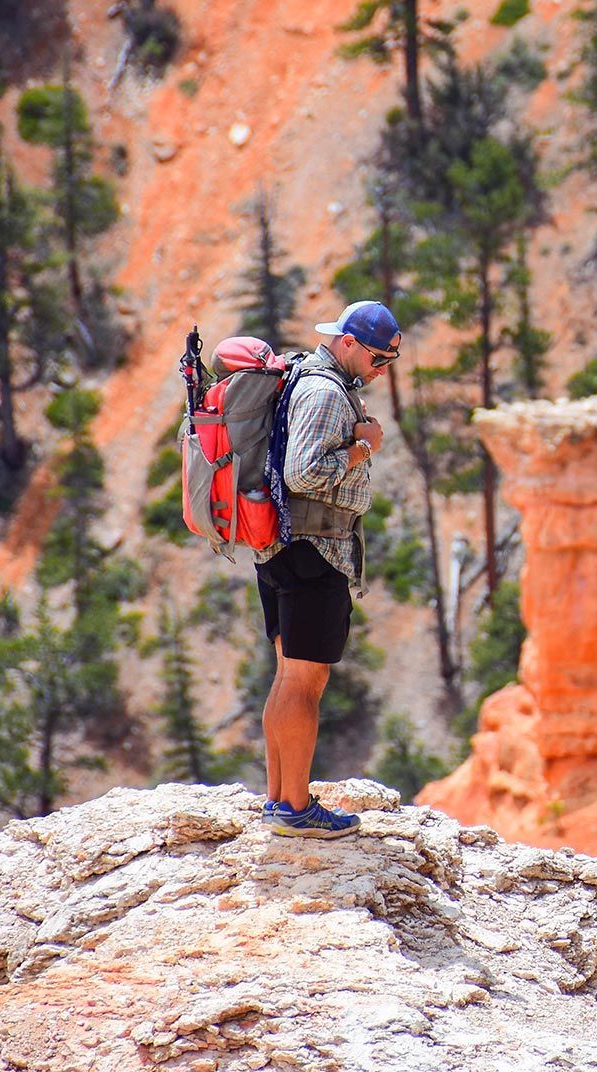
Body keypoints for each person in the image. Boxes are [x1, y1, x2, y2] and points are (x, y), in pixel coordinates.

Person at [256, 300, 401, 838]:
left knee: (288, 676)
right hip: (313, 553)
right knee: (304, 681)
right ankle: (295, 808)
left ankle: (279, 800)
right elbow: (303, 473)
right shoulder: (323, 391)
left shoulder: (310, 380)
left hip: (286, 548)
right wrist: (363, 448)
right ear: (347, 343)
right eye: (378, 358)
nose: (382, 370)